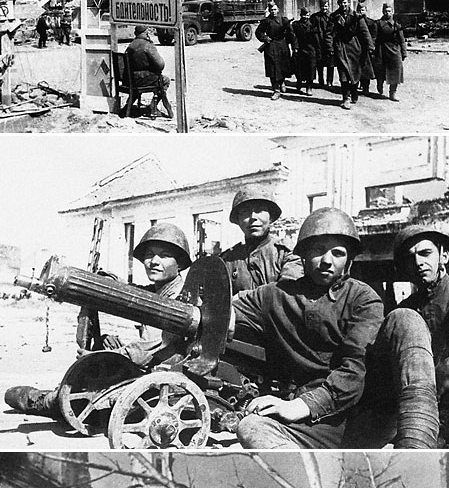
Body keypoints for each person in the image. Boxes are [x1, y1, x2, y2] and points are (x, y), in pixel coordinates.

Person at [231, 207, 384, 449]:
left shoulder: (363, 299)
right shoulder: (276, 295)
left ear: (349, 260)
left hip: (356, 417)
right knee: (250, 426)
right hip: (307, 424)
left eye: (337, 253)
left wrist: (299, 406)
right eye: (317, 250)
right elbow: (229, 310)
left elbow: (355, 370)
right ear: (302, 256)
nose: (326, 261)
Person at [4, 222, 192, 417]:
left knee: (83, 401)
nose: (154, 261)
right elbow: (131, 292)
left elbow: (153, 346)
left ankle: (51, 402)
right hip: (153, 369)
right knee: (105, 344)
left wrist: (104, 356)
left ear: (179, 263)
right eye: (149, 255)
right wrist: (102, 281)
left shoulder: (179, 299)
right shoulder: (159, 291)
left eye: (164, 255)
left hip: (163, 378)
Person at [394, 224, 449, 443]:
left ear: (443, 255)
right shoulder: (404, 310)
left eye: (425, 253)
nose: (418, 262)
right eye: (410, 258)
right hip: (429, 401)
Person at [220, 186, 302, 293]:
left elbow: (286, 294)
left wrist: (241, 298)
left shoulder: (286, 253)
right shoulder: (228, 260)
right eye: (245, 212)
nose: (253, 217)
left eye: (259, 210)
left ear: (271, 217)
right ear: (238, 220)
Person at [329, 0, 373, 109]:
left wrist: (370, 47)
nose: (343, 5)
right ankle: (345, 98)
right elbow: (329, 34)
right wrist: (330, 47)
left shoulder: (356, 16)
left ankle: (354, 91)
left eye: (345, 2)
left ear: (348, 2)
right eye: (341, 3)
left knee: (355, 73)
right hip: (340, 46)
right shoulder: (334, 16)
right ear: (338, 3)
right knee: (343, 73)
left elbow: (364, 32)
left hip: (354, 46)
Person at [125, 25, 173, 119]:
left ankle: (129, 106)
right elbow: (160, 65)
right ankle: (153, 107)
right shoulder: (148, 45)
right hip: (143, 80)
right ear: (146, 33)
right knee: (165, 80)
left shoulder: (131, 45)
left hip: (130, 80)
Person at [255, 0, 293, 101]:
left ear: (278, 9)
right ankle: (276, 90)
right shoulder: (266, 21)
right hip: (270, 46)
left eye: (275, 9)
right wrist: (265, 38)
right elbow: (258, 32)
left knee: (283, 67)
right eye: (271, 10)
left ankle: (282, 82)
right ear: (269, 11)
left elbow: (291, 33)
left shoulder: (283, 20)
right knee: (272, 68)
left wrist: (290, 42)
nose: (273, 11)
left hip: (282, 46)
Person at [374, 5, 407, 102]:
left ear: (392, 12)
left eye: (389, 11)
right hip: (381, 49)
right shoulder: (378, 24)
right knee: (380, 70)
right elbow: (374, 38)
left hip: (394, 50)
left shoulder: (397, 25)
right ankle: (379, 84)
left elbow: (402, 40)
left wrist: (404, 52)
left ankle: (393, 93)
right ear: (382, 12)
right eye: (385, 11)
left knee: (396, 70)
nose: (387, 13)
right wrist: (372, 50)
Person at [291, 9, 316, 96]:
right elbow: (293, 37)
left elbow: (316, 38)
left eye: (307, 15)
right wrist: (295, 47)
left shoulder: (312, 25)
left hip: (310, 49)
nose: (306, 17)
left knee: (311, 68)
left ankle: (309, 87)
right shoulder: (296, 25)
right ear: (301, 15)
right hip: (300, 48)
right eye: (304, 15)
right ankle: (299, 82)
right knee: (298, 67)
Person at [311, 0, 334, 89]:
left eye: (326, 6)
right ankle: (321, 80)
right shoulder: (315, 17)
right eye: (323, 6)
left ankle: (329, 81)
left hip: (329, 43)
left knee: (330, 62)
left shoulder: (331, 16)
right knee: (319, 62)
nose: (324, 8)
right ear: (320, 7)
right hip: (319, 43)